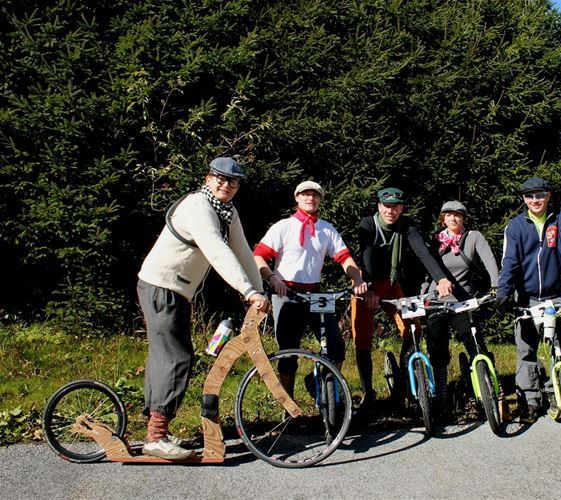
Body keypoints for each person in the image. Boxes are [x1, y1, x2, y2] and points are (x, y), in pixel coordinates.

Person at [137, 157, 269, 459]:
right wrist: (248, 291)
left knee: (170, 356)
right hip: (161, 286)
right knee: (176, 358)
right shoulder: (199, 207)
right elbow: (218, 251)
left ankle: (158, 430)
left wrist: (261, 292)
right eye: (220, 178)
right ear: (208, 178)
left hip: (177, 292)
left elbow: (243, 253)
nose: (226, 185)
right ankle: (155, 437)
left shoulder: (227, 212)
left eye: (233, 182)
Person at [253, 181, 368, 397]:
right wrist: (271, 278)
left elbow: (344, 258)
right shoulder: (283, 226)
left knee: (336, 346)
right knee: (287, 352)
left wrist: (356, 279)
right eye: (305, 194)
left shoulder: (326, 228)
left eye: (315, 195)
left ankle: (324, 390)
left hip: (315, 293)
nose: (310, 199)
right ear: (297, 198)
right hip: (286, 293)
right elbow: (258, 255)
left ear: (320, 200)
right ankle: (288, 407)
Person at [350, 187, 453, 411]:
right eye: (386, 206)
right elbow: (365, 254)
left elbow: (422, 252)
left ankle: (407, 379)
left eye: (395, 207)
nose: (391, 210)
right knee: (363, 340)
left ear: (401, 208)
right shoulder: (368, 224)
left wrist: (442, 278)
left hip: (391, 284)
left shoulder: (406, 225)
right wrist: (368, 291)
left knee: (413, 329)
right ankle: (368, 393)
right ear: (379, 206)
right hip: (366, 285)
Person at [496, 176, 561, 422]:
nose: (535, 200)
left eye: (540, 195)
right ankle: (530, 401)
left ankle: (558, 396)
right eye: (530, 196)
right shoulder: (515, 226)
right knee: (526, 351)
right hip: (527, 298)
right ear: (524, 199)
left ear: (549, 196)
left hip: (554, 296)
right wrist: (503, 292)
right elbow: (509, 262)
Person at [424, 201, 500, 416]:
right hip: (437, 300)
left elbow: (490, 261)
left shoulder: (473, 237)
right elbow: (425, 269)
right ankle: (441, 394)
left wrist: (496, 286)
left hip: (462, 301)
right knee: (437, 346)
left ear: (463, 218)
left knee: (473, 340)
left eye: (458, 215)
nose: (453, 218)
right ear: (443, 218)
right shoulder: (434, 241)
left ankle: (489, 387)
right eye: (448, 214)